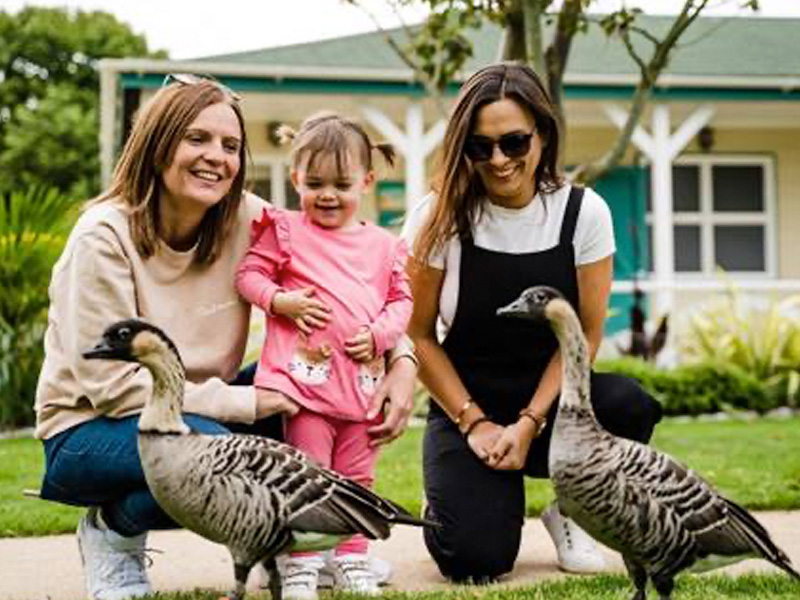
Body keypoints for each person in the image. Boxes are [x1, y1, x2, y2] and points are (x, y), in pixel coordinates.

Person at [34, 76, 418, 600]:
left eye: (230, 145)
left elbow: (348, 273)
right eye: (196, 139)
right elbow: (110, 385)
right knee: (215, 455)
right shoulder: (103, 238)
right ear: (157, 142)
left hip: (205, 407)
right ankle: (112, 531)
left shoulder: (249, 220)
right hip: (90, 427)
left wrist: (400, 360)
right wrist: (247, 402)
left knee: (311, 402)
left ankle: (297, 551)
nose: (215, 156)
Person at [401, 62, 663, 584]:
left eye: (514, 142)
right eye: (481, 147)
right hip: (466, 407)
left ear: (542, 136)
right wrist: (475, 423)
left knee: (627, 404)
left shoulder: (583, 213)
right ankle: (474, 493)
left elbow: (584, 333)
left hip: (554, 406)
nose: (499, 160)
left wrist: (529, 423)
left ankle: (572, 509)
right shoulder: (438, 217)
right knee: (472, 560)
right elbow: (418, 334)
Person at [235, 112, 413, 600]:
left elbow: (402, 303)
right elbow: (249, 276)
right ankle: (303, 567)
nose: (327, 195)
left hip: (362, 387)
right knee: (308, 475)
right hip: (305, 388)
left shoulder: (383, 245)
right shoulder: (286, 230)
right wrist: (281, 301)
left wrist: (379, 337)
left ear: (368, 181)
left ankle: (352, 560)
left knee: (357, 477)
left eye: (342, 184)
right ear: (295, 179)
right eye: (314, 183)